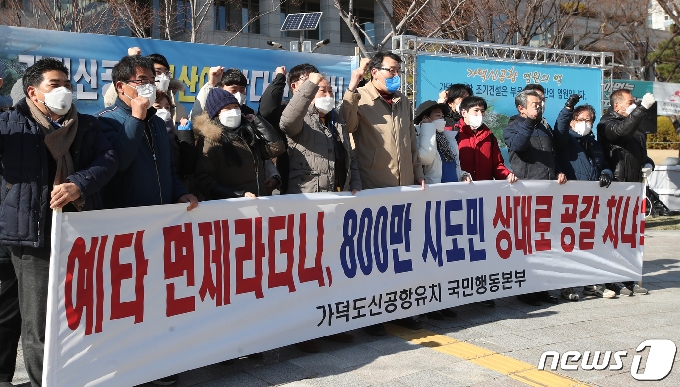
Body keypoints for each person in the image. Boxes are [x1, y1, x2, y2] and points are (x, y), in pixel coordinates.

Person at [1, 58, 118, 387]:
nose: (64, 90)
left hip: (78, 229)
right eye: (55, 84)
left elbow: (108, 161)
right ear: (33, 92)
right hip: (32, 234)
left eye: (67, 84)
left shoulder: (88, 125)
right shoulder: (11, 123)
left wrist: (78, 184)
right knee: (38, 322)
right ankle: (44, 381)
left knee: (78, 310)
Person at [98, 55, 197, 386]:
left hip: (160, 227)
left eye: (151, 80)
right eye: (141, 81)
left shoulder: (158, 121)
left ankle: (159, 362)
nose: (149, 86)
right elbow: (118, 165)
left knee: (159, 297)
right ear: (121, 88)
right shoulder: (105, 122)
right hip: (126, 230)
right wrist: (136, 119)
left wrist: (181, 192)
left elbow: (168, 167)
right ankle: (130, 367)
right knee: (130, 303)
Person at [342, 51, 424, 336]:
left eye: (398, 70)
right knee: (375, 254)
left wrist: (418, 173)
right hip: (375, 185)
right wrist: (353, 85)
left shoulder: (403, 101)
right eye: (390, 70)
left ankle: (402, 308)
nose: (395, 75)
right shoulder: (360, 98)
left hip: (404, 187)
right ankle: (371, 314)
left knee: (402, 251)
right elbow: (346, 123)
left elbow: (411, 141)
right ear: (374, 72)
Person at [277, 69, 360, 352]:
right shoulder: (301, 121)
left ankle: (330, 323)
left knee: (332, 268)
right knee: (307, 269)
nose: (327, 95)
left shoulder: (336, 121)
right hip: (307, 203)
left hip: (336, 204)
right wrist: (312, 84)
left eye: (329, 90)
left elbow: (349, 158)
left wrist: (355, 185)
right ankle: (303, 330)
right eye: (321, 90)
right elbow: (287, 120)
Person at [503, 89, 566, 306]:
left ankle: (543, 287)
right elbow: (518, 145)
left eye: (540, 104)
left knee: (545, 244)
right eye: (534, 104)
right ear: (521, 108)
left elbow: (551, 155)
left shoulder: (544, 128)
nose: (538, 107)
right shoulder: (513, 126)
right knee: (527, 244)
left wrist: (558, 170)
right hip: (527, 193)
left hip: (548, 192)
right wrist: (529, 122)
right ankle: (526, 290)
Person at [553, 95, 618, 300]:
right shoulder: (565, 141)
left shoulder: (595, 144)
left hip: (592, 202)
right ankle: (568, 285)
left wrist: (607, 174)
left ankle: (592, 284)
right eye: (581, 120)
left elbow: (604, 165)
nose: (586, 124)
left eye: (589, 120)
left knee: (592, 244)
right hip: (570, 200)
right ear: (573, 121)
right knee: (570, 244)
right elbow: (560, 127)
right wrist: (568, 107)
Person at [597, 89, 655, 296]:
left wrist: (649, 163)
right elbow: (621, 132)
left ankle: (630, 279)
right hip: (615, 186)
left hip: (634, 188)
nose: (635, 104)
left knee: (629, 236)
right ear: (617, 106)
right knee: (613, 236)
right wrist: (642, 109)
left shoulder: (637, 128)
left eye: (636, 102)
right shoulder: (606, 123)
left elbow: (642, 154)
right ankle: (612, 281)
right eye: (630, 102)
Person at [192, 67, 280, 194]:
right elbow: (196, 115)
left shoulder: (250, 117)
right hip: (230, 203)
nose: (238, 94)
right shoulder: (210, 133)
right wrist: (211, 84)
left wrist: (274, 176)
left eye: (242, 90)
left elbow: (266, 153)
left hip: (258, 195)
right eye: (233, 90)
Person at [104, 49, 188, 123]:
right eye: (158, 72)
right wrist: (132, 61)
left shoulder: (177, 107)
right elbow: (111, 100)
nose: (163, 76)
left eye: (166, 72)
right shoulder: (107, 120)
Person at [414, 100, 470, 185]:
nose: (442, 119)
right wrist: (427, 127)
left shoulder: (448, 138)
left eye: (442, 116)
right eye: (438, 115)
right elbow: (425, 158)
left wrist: (462, 175)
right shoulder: (416, 137)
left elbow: (452, 166)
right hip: (433, 192)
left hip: (453, 191)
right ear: (425, 117)